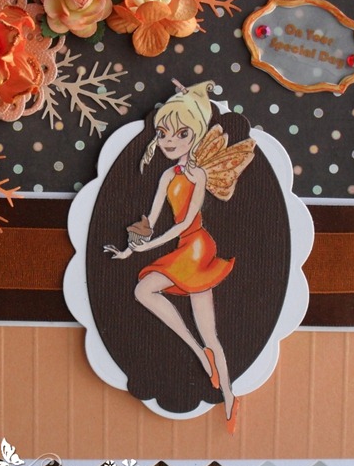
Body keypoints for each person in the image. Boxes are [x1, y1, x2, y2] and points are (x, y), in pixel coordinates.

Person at [104, 80, 255, 433]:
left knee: (204, 328)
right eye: (163, 133)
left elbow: (184, 223)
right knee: (158, 301)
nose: (169, 141)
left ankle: (227, 392)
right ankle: (205, 361)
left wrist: (149, 247)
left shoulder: (197, 174)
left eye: (181, 134)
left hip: (197, 246)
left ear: (196, 135)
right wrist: (130, 248)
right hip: (182, 247)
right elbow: (150, 220)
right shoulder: (166, 175)